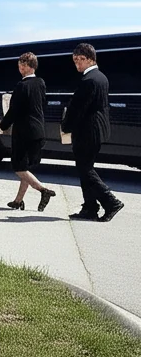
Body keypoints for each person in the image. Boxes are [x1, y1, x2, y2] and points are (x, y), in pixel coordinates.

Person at [61, 43, 124, 222]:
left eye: (80, 60)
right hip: (96, 130)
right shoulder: (101, 77)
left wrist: (66, 127)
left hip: (88, 131)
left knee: (85, 170)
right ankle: (90, 207)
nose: (77, 64)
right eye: (74, 61)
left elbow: (77, 109)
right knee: (84, 169)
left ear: (90, 59)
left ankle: (111, 201)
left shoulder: (89, 80)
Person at [0, 52, 57, 211]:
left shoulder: (21, 86)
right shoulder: (41, 83)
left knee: (19, 168)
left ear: (25, 66)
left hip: (24, 132)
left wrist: (2, 126)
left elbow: (13, 111)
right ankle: (18, 201)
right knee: (26, 168)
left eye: (20, 65)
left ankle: (43, 191)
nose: (19, 68)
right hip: (38, 131)